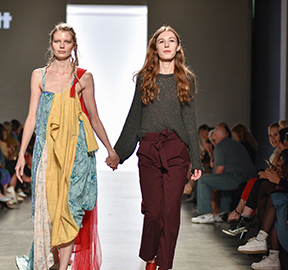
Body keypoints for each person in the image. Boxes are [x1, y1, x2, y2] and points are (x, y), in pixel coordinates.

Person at [14, 23, 117, 270]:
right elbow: (31, 117)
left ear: (73, 45)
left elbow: (93, 116)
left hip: (77, 152)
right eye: (57, 41)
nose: (61, 45)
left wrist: (110, 149)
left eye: (66, 41)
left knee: (70, 209)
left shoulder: (84, 77)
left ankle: (62, 268)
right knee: (48, 211)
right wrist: (21, 155)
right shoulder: (38, 75)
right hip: (47, 152)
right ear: (51, 44)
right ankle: (53, 260)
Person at [111, 26, 203, 270]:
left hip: (176, 151)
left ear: (178, 46)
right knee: (153, 212)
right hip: (150, 150)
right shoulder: (144, 78)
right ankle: (150, 256)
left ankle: (163, 265)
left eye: (171, 40)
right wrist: (119, 153)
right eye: (161, 41)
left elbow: (190, 122)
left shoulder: (186, 79)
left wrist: (196, 160)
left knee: (171, 213)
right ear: (154, 47)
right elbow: (134, 118)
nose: (166, 44)